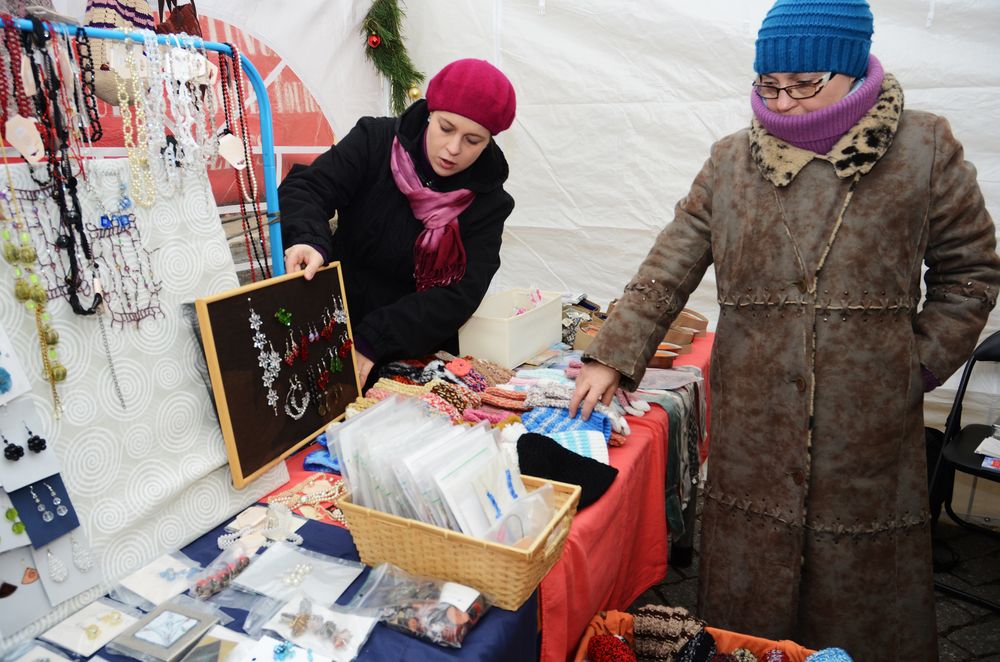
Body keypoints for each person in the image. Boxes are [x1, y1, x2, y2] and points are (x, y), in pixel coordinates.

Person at [569, 0, 1000, 659]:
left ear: (853, 73)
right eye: (769, 86)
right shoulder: (730, 161)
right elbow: (668, 265)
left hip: (869, 422)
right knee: (750, 604)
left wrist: (913, 367)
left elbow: (969, 272)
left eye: (804, 84)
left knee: (860, 598)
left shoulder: (924, 147)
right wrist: (612, 354)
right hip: (754, 422)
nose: (784, 103)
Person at [279, 59, 516, 387]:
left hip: (413, 349)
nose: (453, 148)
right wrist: (308, 238)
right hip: (332, 322)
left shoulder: (489, 202)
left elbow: (460, 294)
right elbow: (308, 188)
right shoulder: (374, 141)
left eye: (472, 140)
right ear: (430, 112)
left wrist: (376, 338)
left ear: (489, 141)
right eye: (446, 128)